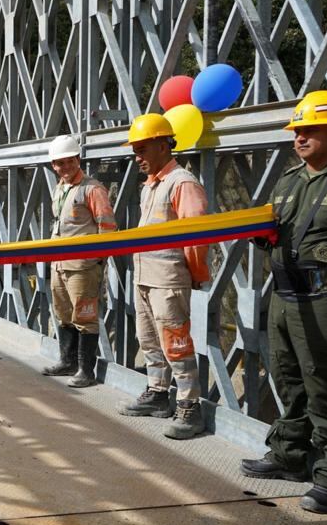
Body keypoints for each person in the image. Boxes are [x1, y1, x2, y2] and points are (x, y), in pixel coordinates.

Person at [240, 90, 327, 514]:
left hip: (324, 297)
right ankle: (290, 455)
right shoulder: (289, 180)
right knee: (287, 376)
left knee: (324, 384)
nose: (299, 137)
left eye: (309, 129)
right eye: (296, 130)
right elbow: (278, 230)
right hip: (284, 293)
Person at [116, 114, 210, 440]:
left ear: (162, 144)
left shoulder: (182, 183)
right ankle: (157, 393)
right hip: (145, 275)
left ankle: (189, 407)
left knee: (176, 344)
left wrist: (197, 273)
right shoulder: (151, 185)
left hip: (168, 278)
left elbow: (195, 236)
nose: (137, 158)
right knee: (148, 341)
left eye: (142, 150)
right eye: (135, 152)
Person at [40, 136, 117, 387]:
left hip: (82, 266)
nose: (64, 168)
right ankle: (68, 361)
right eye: (59, 164)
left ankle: (86, 370)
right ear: (53, 165)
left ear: (78, 160)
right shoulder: (61, 188)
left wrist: (97, 261)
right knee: (63, 313)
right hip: (61, 264)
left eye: (68, 162)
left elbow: (107, 227)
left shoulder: (92, 189)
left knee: (85, 316)